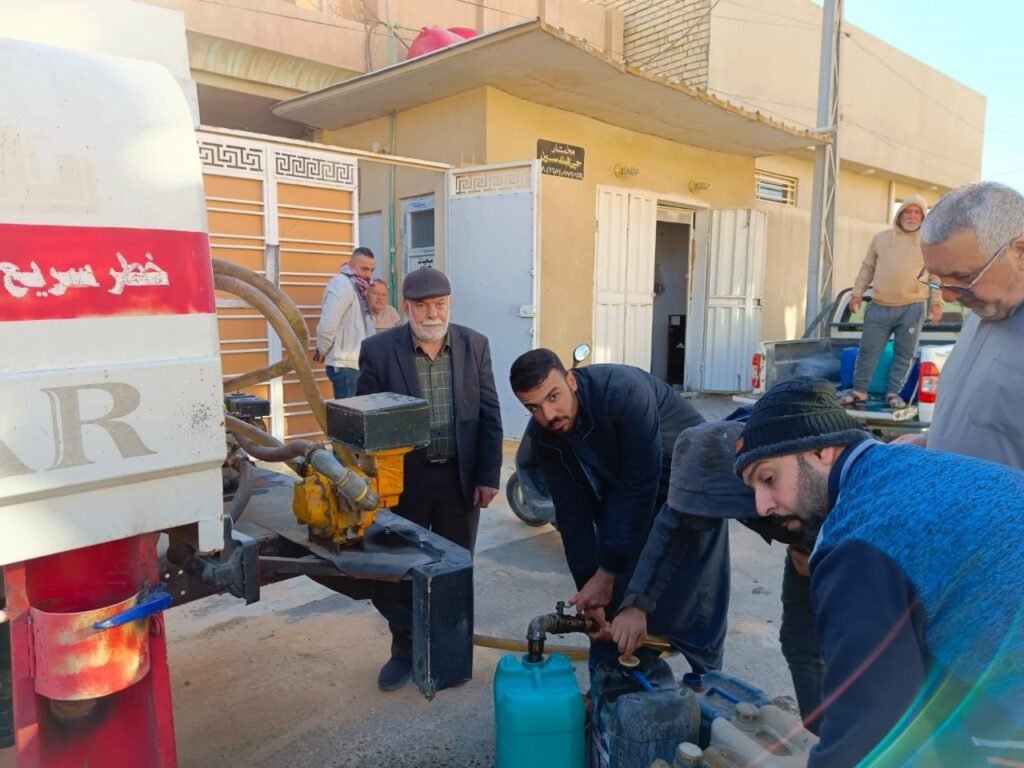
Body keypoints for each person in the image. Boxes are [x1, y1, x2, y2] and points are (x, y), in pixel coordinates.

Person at [736, 376, 1024, 767]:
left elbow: (867, 733)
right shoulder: (909, 466)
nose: (762, 506)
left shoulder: (859, 539)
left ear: (822, 450)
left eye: (768, 479)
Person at [508, 350, 725, 675]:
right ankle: (612, 683)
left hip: (690, 476)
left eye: (553, 396)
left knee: (697, 588)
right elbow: (571, 513)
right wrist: (591, 590)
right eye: (533, 407)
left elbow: (641, 488)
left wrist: (614, 581)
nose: (548, 415)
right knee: (609, 571)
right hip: (626, 479)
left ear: (571, 380)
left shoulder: (624, 392)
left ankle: (708, 680)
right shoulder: (544, 434)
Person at [609, 417, 826, 735]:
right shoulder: (704, 463)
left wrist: (823, 556)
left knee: (833, 650)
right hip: (803, 548)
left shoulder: (796, 457)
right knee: (798, 645)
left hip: (839, 544)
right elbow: (668, 532)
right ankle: (818, 742)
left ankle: (848, 746)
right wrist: (636, 604)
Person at [356, 267, 502, 691]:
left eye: (439, 304)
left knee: (455, 570)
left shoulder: (475, 345)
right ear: (407, 307)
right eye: (422, 306)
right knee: (403, 571)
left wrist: (488, 475)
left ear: (449, 304)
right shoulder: (379, 351)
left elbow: (489, 414)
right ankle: (404, 650)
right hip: (404, 484)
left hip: (460, 481)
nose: (432, 314)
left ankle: (449, 653)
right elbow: (367, 423)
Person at [900, 181, 1024, 465]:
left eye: (964, 277)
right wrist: (931, 442)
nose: (947, 296)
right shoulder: (984, 310)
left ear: (1021, 253)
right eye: (938, 278)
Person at [842, 196, 943, 409]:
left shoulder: (929, 242)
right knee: (868, 350)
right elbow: (867, 268)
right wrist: (857, 293)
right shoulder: (881, 239)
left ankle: (894, 394)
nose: (912, 216)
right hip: (879, 304)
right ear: (900, 214)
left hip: (913, 306)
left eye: (917, 212)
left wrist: (936, 303)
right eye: (908, 211)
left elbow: (935, 275)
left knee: (904, 354)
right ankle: (859, 391)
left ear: (923, 217)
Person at [314, 246, 376, 398]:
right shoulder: (341, 284)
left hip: (357, 364)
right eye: (364, 269)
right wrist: (322, 349)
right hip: (345, 365)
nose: (368, 274)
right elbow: (327, 325)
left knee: (357, 412)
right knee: (349, 413)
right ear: (351, 265)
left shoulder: (358, 286)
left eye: (371, 270)